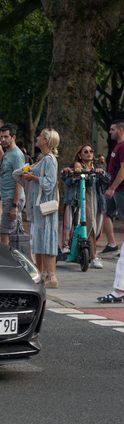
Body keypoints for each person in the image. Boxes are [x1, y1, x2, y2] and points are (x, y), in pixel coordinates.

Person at [23, 128, 60, 288]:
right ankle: (44, 274)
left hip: (46, 206)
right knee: (41, 239)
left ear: (46, 141)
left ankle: (52, 277)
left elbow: (50, 183)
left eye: (40, 136)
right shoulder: (44, 158)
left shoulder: (50, 159)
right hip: (39, 207)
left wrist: (33, 177)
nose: (37, 137)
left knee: (47, 239)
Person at [64, 144, 110, 269]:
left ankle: (89, 252)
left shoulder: (97, 167)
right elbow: (67, 180)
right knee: (89, 226)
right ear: (80, 155)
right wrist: (73, 173)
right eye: (85, 151)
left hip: (98, 200)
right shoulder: (77, 167)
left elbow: (107, 179)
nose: (89, 153)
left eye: (91, 151)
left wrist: (101, 172)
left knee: (97, 226)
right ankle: (94, 256)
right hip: (85, 199)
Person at [98, 119, 124, 302]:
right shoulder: (117, 148)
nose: (109, 131)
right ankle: (112, 243)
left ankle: (119, 291)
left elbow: (123, 170)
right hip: (118, 191)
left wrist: (113, 188)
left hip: (121, 191)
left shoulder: (123, 147)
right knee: (105, 213)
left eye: (112, 129)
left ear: (121, 130)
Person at [0, 124, 25, 245]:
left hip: (13, 198)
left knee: (5, 232)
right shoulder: (7, 153)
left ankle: (6, 260)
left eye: (6, 137)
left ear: (13, 137)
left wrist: (14, 205)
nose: (3, 140)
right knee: (18, 232)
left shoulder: (16, 155)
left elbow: (20, 180)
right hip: (8, 197)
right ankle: (27, 260)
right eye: (1, 137)